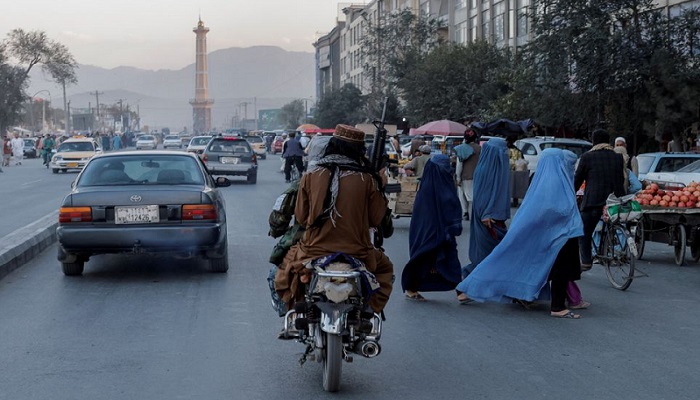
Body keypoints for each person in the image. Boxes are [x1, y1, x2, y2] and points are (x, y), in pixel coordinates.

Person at [274, 124, 393, 315]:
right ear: (359, 150)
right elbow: (375, 219)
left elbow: (303, 218)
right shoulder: (368, 179)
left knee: (283, 270)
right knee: (385, 268)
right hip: (359, 252)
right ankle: (369, 311)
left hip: (312, 251)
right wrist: (380, 186)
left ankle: (294, 314)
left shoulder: (311, 175)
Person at [456, 148, 586, 318]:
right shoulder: (554, 181)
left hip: (549, 234)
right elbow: (554, 209)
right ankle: (557, 307)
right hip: (558, 234)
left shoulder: (543, 179)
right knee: (556, 268)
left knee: (527, 264)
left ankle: (473, 288)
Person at [402, 154, 463, 302]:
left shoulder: (431, 184)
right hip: (433, 232)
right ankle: (411, 288)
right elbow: (448, 205)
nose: (447, 170)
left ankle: (461, 290)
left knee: (448, 260)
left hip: (439, 232)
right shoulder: (436, 186)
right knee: (424, 260)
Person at [575, 129, 626, 271]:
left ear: (593, 141)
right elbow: (620, 180)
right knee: (611, 226)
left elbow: (578, 179)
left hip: (593, 201)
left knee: (584, 231)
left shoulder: (587, 157)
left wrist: (571, 194)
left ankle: (586, 261)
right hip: (613, 201)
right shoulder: (617, 157)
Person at [462, 137, 511, 279]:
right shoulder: (486, 170)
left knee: (494, 255)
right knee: (490, 255)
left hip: (496, 217)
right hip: (488, 219)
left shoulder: (494, 167)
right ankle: (466, 281)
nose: (505, 154)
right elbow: (482, 196)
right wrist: (487, 213)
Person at [454, 130, 481, 220]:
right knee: (473, 195)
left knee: (463, 194)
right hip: (478, 175)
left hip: (465, 176)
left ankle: (465, 212)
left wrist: (458, 177)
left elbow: (459, 164)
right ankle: (474, 213)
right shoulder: (480, 148)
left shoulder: (461, 148)